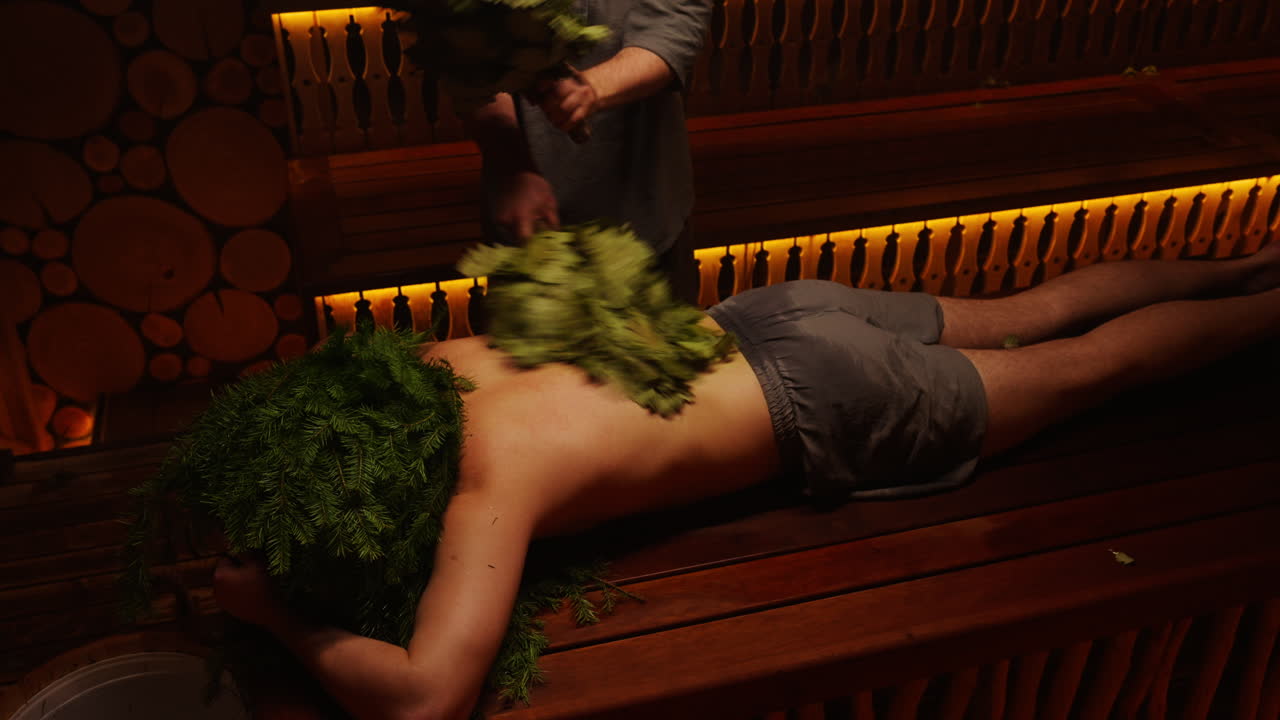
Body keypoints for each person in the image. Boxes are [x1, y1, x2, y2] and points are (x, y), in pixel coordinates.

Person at [214, 244, 1280, 720]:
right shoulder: (442, 359)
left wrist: (280, 618)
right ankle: (1247, 264)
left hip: (821, 395)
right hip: (766, 315)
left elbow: (425, 701)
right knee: (1031, 312)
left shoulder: (492, 480)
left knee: (1089, 370)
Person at [464, 0, 710, 301]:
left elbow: (672, 29)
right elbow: (467, 55)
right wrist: (512, 164)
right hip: (524, 221)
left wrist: (586, 90)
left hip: (647, 210)